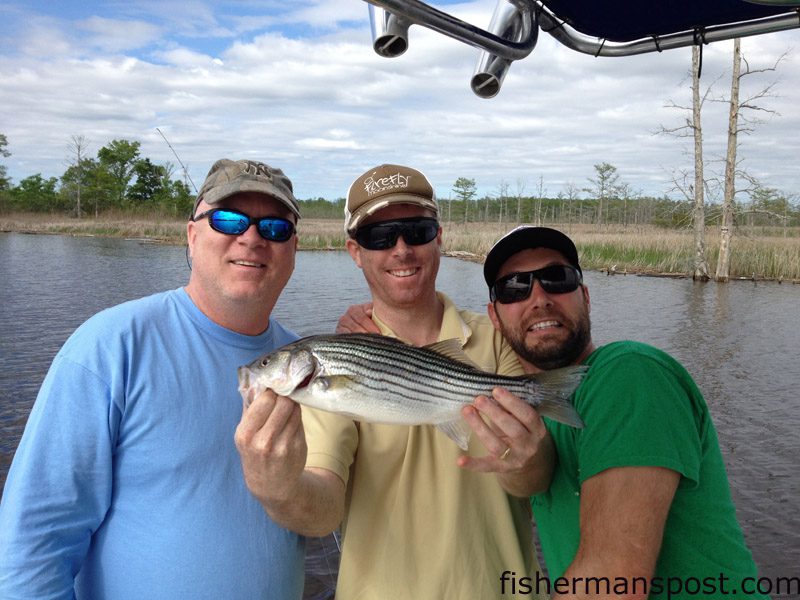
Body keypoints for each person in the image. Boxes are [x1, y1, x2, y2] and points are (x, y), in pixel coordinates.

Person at [235, 164, 551, 599]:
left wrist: (527, 460)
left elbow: (533, 480)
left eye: (416, 231)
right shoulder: (335, 358)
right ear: (354, 250)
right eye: (378, 237)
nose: (400, 249)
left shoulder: (497, 338)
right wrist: (280, 489)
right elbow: (323, 506)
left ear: (438, 238)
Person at [0, 159, 306, 599]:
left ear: (294, 248)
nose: (253, 237)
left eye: (275, 227)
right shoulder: (108, 347)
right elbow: (33, 545)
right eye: (228, 219)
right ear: (192, 234)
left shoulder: (306, 365)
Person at [480, 225, 770, 600]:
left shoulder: (630, 372)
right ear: (494, 316)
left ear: (585, 296)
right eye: (514, 287)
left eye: (558, 278)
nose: (540, 297)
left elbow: (611, 582)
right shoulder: (542, 414)